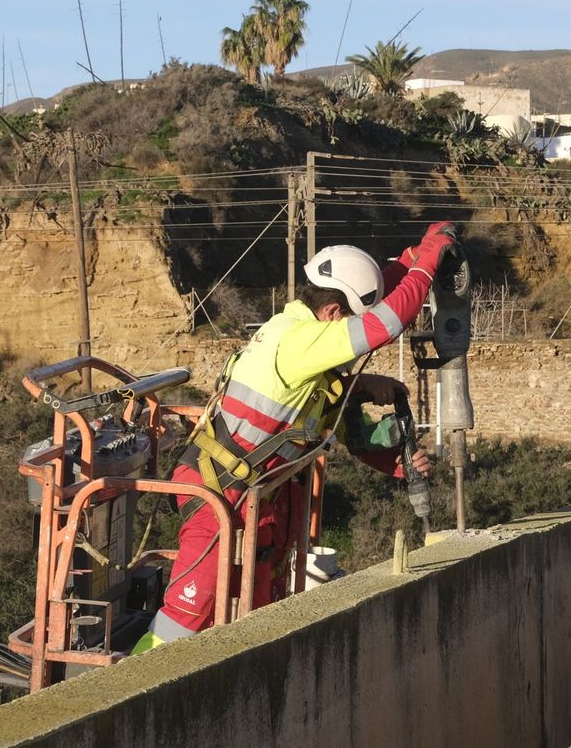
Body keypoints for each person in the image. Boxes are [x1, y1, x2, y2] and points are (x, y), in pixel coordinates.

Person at [131, 221, 458, 652]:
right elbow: (387, 321)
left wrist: (412, 258)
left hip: (257, 499)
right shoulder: (299, 341)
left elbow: (331, 424)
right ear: (333, 315)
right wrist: (429, 265)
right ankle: (120, 695)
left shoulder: (305, 336)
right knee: (185, 623)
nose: (353, 353)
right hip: (219, 497)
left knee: (260, 618)